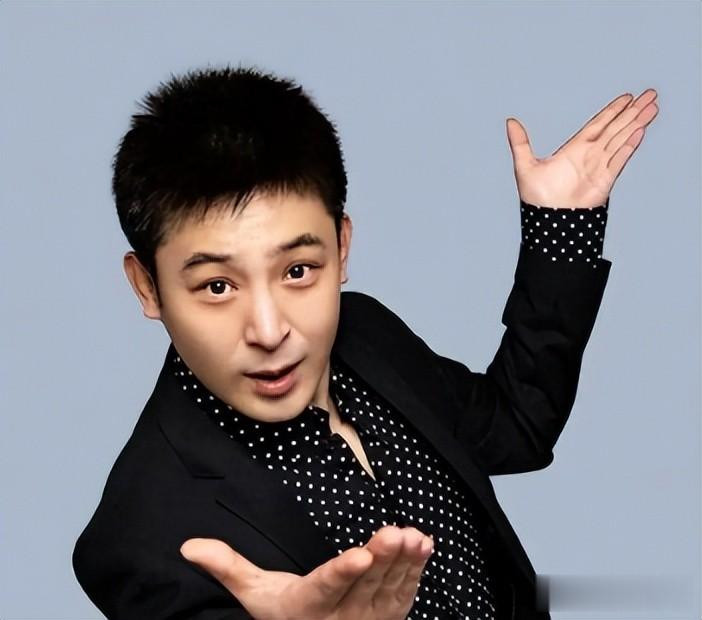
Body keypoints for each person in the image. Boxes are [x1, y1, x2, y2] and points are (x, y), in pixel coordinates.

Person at [71, 64, 657, 619]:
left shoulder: (367, 333)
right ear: (148, 287)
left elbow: (516, 428)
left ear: (342, 248)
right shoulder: (138, 539)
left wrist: (561, 232)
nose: (270, 331)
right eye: (217, 286)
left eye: (298, 270)